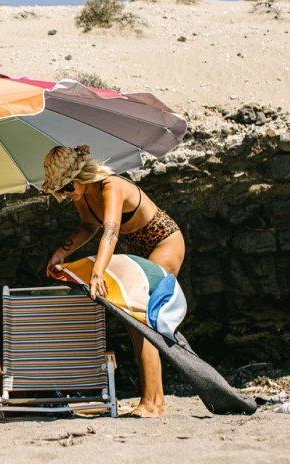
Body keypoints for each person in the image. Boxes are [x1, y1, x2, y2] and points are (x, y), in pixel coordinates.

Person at [41, 145, 185, 417]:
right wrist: (61, 252)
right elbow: (88, 227)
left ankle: (155, 404)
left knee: (143, 319)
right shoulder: (82, 196)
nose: (65, 195)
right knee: (134, 323)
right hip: (137, 250)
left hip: (164, 241)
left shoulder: (111, 186)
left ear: (79, 177)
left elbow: (110, 232)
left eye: (66, 188)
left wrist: (98, 273)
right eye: (61, 191)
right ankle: (151, 399)